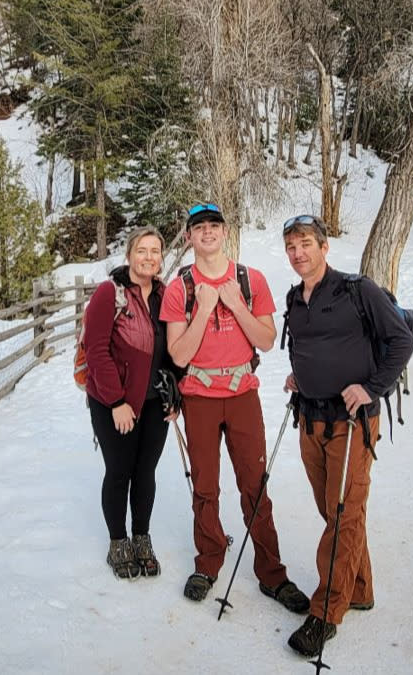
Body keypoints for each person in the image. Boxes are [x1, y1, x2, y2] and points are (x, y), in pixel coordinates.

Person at [160, 203, 309, 613]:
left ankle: (271, 572)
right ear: (189, 236)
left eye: (214, 226)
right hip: (199, 397)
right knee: (205, 485)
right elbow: (178, 354)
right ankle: (208, 562)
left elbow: (264, 339)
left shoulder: (250, 279)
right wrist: (206, 306)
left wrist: (234, 304)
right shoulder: (180, 288)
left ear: (224, 232)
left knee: (254, 483)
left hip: (243, 394)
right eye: (199, 227)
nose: (207, 232)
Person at [280, 214, 413, 655]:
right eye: (291, 247)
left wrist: (372, 387)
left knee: (343, 510)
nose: (298, 253)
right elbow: (310, 347)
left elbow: (401, 342)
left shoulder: (359, 290)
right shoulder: (295, 299)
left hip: (352, 422)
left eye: (305, 244)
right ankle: (360, 589)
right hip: (310, 419)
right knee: (335, 510)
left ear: (324, 247)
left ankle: (326, 612)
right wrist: (300, 377)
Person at [84, 226, 178, 580]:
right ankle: (117, 541)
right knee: (120, 470)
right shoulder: (111, 294)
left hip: (155, 402)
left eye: (155, 251)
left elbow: (172, 350)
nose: (149, 257)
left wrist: (175, 393)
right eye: (142, 250)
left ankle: (141, 536)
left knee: (145, 472)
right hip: (115, 402)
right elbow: (97, 350)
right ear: (129, 255)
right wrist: (117, 402)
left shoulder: (166, 296)